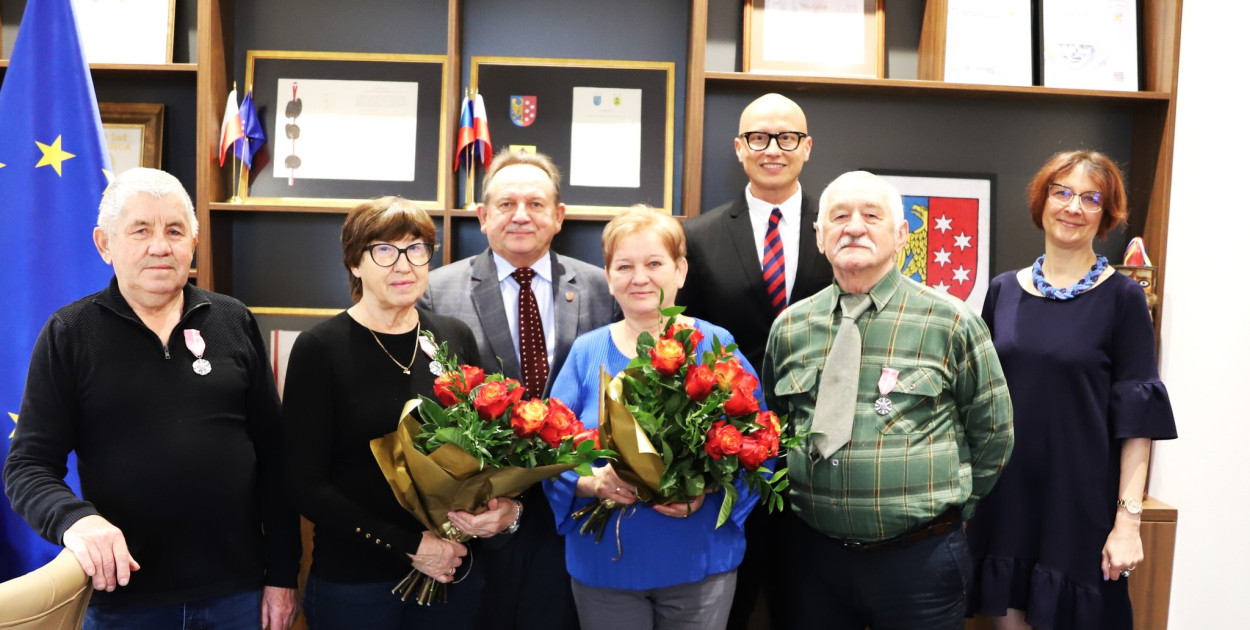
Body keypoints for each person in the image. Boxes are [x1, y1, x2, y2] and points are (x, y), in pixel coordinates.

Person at [2, 167, 301, 629]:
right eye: (140, 230)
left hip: (236, 595)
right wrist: (74, 520)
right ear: (105, 244)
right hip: (121, 601)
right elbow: (27, 467)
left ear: (193, 243)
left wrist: (282, 575)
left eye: (175, 230)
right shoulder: (71, 334)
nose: (160, 246)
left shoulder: (233, 320)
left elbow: (275, 459)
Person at [763, 171, 1014, 630]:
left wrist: (953, 505)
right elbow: (777, 428)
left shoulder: (951, 321)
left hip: (920, 562)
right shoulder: (790, 327)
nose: (854, 226)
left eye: (871, 215)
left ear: (901, 235)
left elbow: (994, 432)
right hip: (812, 561)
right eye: (839, 216)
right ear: (819, 237)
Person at [282, 197, 518, 630]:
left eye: (417, 249)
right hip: (357, 585)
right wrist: (410, 545)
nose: (404, 265)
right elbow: (304, 484)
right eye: (384, 250)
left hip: (451, 574)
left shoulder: (452, 335)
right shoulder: (321, 348)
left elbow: (484, 448)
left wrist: (503, 507)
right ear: (355, 263)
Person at [966, 151, 1178, 630]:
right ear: (1042, 201)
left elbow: (1137, 422)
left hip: (1080, 506)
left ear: (1106, 215)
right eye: (1062, 192)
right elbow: (979, 403)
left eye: (1090, 198)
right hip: (1007, 500)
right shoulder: (1003, 291)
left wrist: (1128, 521)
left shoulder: (1124, 297)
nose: (1073, 207)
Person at [420, 150, 615, 630]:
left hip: (573, 513)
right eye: (506, 204)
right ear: (483, 217)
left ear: (559, 216)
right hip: (477, 520)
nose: (522, 215)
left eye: (536, 203)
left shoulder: (600, 288)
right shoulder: (436, 290)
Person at [543, 206, 762, 630]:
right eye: (624, 266)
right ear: (608, 277)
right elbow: (548, 452)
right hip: (606, 563)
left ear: (680, 271)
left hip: (699, 559)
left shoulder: (715, 346)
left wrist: (707, 487)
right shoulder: (586, 353)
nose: (639, 277)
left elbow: (759, 443)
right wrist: (591, 482)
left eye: (654, 263)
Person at [676, 93, 832, 629]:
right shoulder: (696, 237)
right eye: (760, 138)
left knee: (808, 609)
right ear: (739, 147)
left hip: (821, 457)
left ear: (806, 147)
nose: (773, 149)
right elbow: (682, 349)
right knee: (728, 609)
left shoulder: (838, 232)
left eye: (787, 138)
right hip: (727, 461)